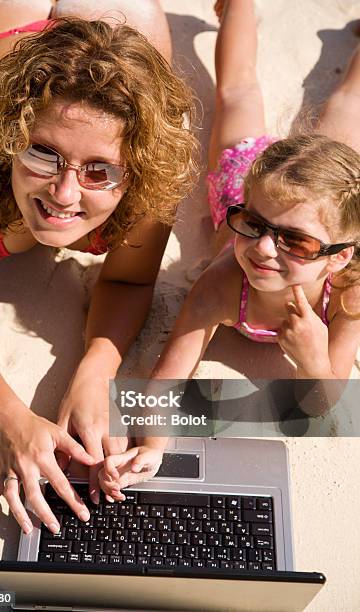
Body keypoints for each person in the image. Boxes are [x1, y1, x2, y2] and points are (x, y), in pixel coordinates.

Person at [0, 0, 198, 534]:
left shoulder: (151, 170)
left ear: (133, 171)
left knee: (142, 17)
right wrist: (6, 417)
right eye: (41, 152)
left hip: (123, 22)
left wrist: (96, 369)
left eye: (98, 171)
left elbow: (129, 278)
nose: (63, 194)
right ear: (10, 132)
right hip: (2, 21)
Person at [100, 0, 360, 499]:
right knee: (236, 90)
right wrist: (153, 448)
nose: (263, 249)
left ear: (338, 258)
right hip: (248, 176)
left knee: (349, 108)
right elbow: (165, 382)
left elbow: (332, 401)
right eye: (255, 226)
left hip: (313, 207)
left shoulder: (347, 294)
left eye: (297, 243)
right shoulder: (223, 282)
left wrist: (312, 359)